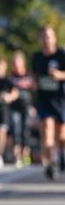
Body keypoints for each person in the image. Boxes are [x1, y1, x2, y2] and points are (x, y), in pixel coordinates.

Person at [31, 25, 65, 181]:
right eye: (44, 37)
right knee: (47, 130)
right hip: (44, 100)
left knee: (61, 136)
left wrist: (60, 75)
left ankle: (61, 154)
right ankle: (52, 164)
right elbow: (34, 76)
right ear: (40, 39)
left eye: (49, 36)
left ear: (54, 38)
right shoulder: (36, 57)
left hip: (61, 100)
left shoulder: (61, 55)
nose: (46, 40)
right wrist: (34, 83)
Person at [8, 50, 34, 167]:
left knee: (26, 130)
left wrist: (34, 106)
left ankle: (25, 154)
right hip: (14, 107)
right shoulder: (10, 78)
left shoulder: (29, 76)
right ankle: (17, 156)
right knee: (15, 130)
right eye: (14, 63)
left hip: (27, 106)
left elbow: (35, 93)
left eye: (18, 63)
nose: (16, 66)